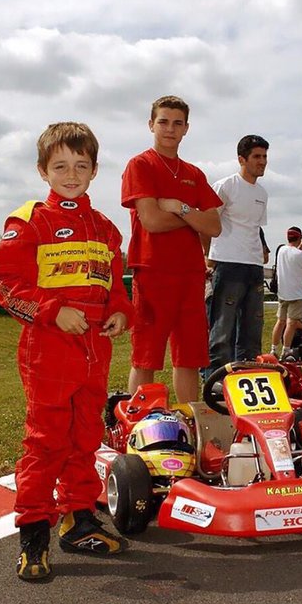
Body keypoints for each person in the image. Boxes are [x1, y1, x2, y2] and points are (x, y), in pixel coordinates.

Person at [0, 122, 135, 581]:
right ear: (43, 170)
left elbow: (115, 286)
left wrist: (120, 312)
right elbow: (5, 286)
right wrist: (52, 312)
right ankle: (34, 532)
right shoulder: (29, 219)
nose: (71, 174)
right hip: (48, 348)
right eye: (60, 166)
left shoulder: (107, 228)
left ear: (94, 171)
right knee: (45, 441)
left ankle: (79, 520)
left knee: (85, 437)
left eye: (81, 165)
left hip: (95, 349)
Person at [121, 95, 222, 403]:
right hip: (152, 271)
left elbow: (215, 226)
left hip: (191, 273)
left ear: (186, 128)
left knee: (189, 356)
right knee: (146, 356)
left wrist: (180, 208)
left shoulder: (194, 173)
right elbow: (151, 220)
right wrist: (194, 218)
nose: (170, 129)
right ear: (151, 124)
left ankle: (192, 421)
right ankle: (139, 424)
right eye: (163, 121)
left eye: (177, 123)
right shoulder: (140, 165)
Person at [205, 134, 269, 375]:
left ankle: (247, 376)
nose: (262, 161)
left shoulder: (262, 193)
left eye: (264, 156)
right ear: (242, 159)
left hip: (253, 266)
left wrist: (262, 251)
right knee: (222, 329)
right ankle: (217, 380)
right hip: (227, 264)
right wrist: (207, 258)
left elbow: (255, 227)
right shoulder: (225, 186)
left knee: (253, 327)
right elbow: (209, 221)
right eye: (256, 157)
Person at [270, 227, 302, 359]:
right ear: (299, 238)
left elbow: (293, 257)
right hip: (297, 294)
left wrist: (301, 248)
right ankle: (286, 350)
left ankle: (273, 348)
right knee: (291, 323)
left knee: (280, 321)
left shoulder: (281, 250)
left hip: (283, 293)